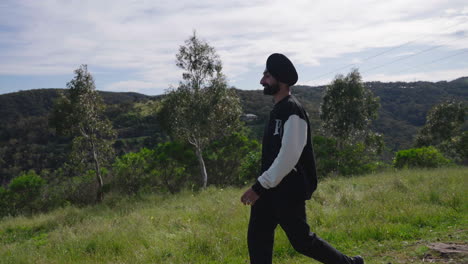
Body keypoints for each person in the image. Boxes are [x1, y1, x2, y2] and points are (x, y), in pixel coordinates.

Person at [240, 53, 364, 264]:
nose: (262, 81)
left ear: (281, 79)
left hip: (288, 191)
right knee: (258, 239)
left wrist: (259, 187)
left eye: (267, 76)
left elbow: (288, 157)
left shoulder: (293, 111)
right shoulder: (278, 110)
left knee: (301, 241)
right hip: (270, 190)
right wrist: (263, 186)